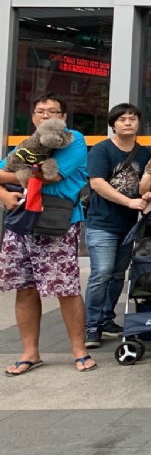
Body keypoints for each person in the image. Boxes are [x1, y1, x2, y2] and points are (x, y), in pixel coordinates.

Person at [0, 95, 94, 375]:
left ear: (63, 117)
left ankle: (79, 350)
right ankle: (30, 352)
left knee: (66, 288)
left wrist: (12, 177)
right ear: (32, 117)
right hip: (21, 221)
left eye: (52, 111)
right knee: (25, 287)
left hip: (57, 221)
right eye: (40, 111)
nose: (45, 115)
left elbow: (51, 176)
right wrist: (4, 194)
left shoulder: (73, 139)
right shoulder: (26, 145)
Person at [83, 103, 151, 348]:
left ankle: (106, 318)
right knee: (101, 273)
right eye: (122, 119)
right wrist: (129, 201)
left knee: (117, 275)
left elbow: (146, 183)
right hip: (101, 222)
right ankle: (91, 326)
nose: (127, 123)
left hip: (128, 224)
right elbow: (97, 183)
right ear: (113, 124)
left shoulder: (144, 154)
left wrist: (147, 195)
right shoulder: (102, 150)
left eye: (132, 118)